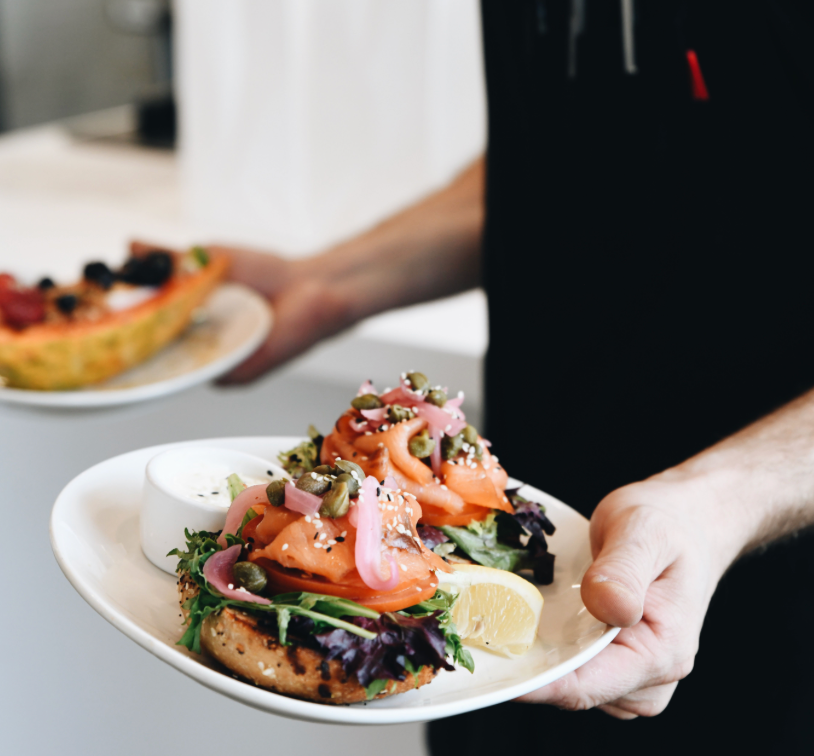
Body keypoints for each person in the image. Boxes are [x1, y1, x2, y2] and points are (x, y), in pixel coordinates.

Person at [204, 2, 814, 753]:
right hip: (502, 608)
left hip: (748, 613)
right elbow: (581, 147)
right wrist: (329, 283)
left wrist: (720, 501)